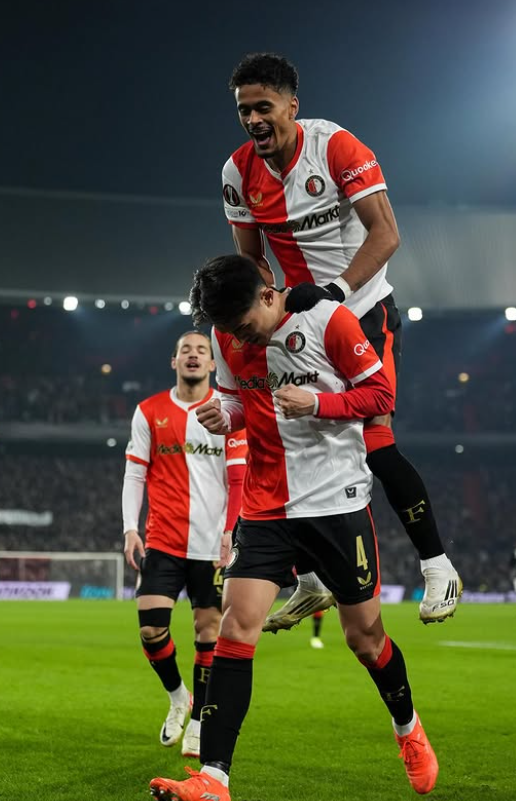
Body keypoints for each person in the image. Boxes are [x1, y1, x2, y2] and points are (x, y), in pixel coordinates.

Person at [149, 256, 439, 801]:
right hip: (265, 506)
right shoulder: (226, 334)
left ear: (267, 296)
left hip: (336, 502)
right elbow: (236, 399)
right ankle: (214, 777)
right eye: (228, 331)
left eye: (243, 326)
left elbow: (381, 396)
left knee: (364, 638)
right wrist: (224, 415)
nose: (238, 339)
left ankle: (407, 728)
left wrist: (318, 403)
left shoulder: (329, 321)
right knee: (236, 628)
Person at [221, 52, 461, 627]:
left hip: (362, 310)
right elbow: (250, 260)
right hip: (299, 320)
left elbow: (387, 233)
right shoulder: (237, 172)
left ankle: (438, 566)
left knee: (375, 441)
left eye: (263, 107)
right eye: (243, 110)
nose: (253, 120)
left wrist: (335, 291)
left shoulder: (335, 148)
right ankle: (308, 581)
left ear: (292, 106)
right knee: (279, 436)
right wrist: (258, 307)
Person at [122, 331, 247, 758]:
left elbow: (238, 480)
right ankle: (179, 697)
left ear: (213, 364)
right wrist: (130, 528)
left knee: (207, 632)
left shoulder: (228, 414)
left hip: (212, 545)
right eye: (185, 350)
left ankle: (197, 723)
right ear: (173, 361)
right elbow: (135, 473)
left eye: (202, 350)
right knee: (150, 628)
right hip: (163, 541)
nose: (193, 355)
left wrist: (231, 532)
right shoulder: (149, 411)